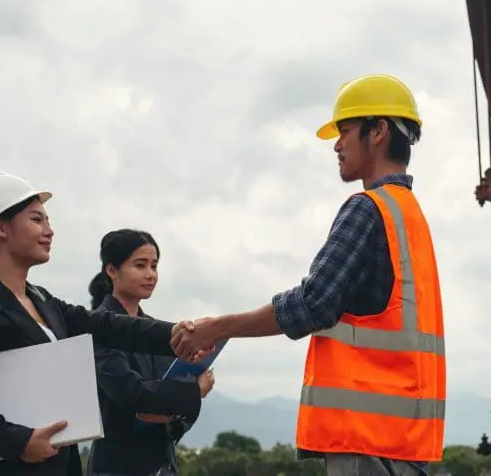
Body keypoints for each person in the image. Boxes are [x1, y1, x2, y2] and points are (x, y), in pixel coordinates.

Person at [170, 74, 446, 476]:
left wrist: (218, 327)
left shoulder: (368, 210)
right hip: (405, 442)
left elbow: (312, 304)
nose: (336, 144)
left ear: (379, 130)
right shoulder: (411, 217)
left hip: (366, 438)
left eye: (346, 131)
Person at [0, 171, 195, 476]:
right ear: (0, 227)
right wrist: (19, 442)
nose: (49, 231)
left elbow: (109, 326)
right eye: (37, 220)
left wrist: (180, 333)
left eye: (48, 221)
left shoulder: (42, 300)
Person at [85, 228, 215, 476]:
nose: (150, 275)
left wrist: (170, 412)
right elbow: (130, 396)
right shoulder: (96, 329)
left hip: (162, 465)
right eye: (140, 265)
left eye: (154, 266)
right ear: (112, 270)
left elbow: (175, 406)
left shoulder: (158, 333)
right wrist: (193, 391)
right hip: (116, 466)